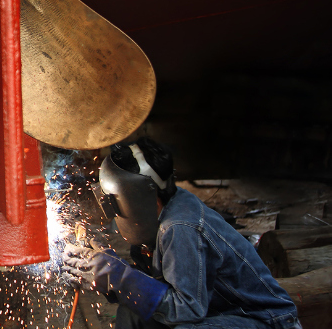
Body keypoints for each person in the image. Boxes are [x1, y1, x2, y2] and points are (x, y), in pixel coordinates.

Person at [62, 137, 301, 329]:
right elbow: (158, 290)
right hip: (220, 313)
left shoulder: (180, 227)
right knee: (132, 311)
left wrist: (122, 278)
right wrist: (110, 276)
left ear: (142, 196)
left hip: (266, 321)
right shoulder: (167, 210)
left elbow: (186, 310)